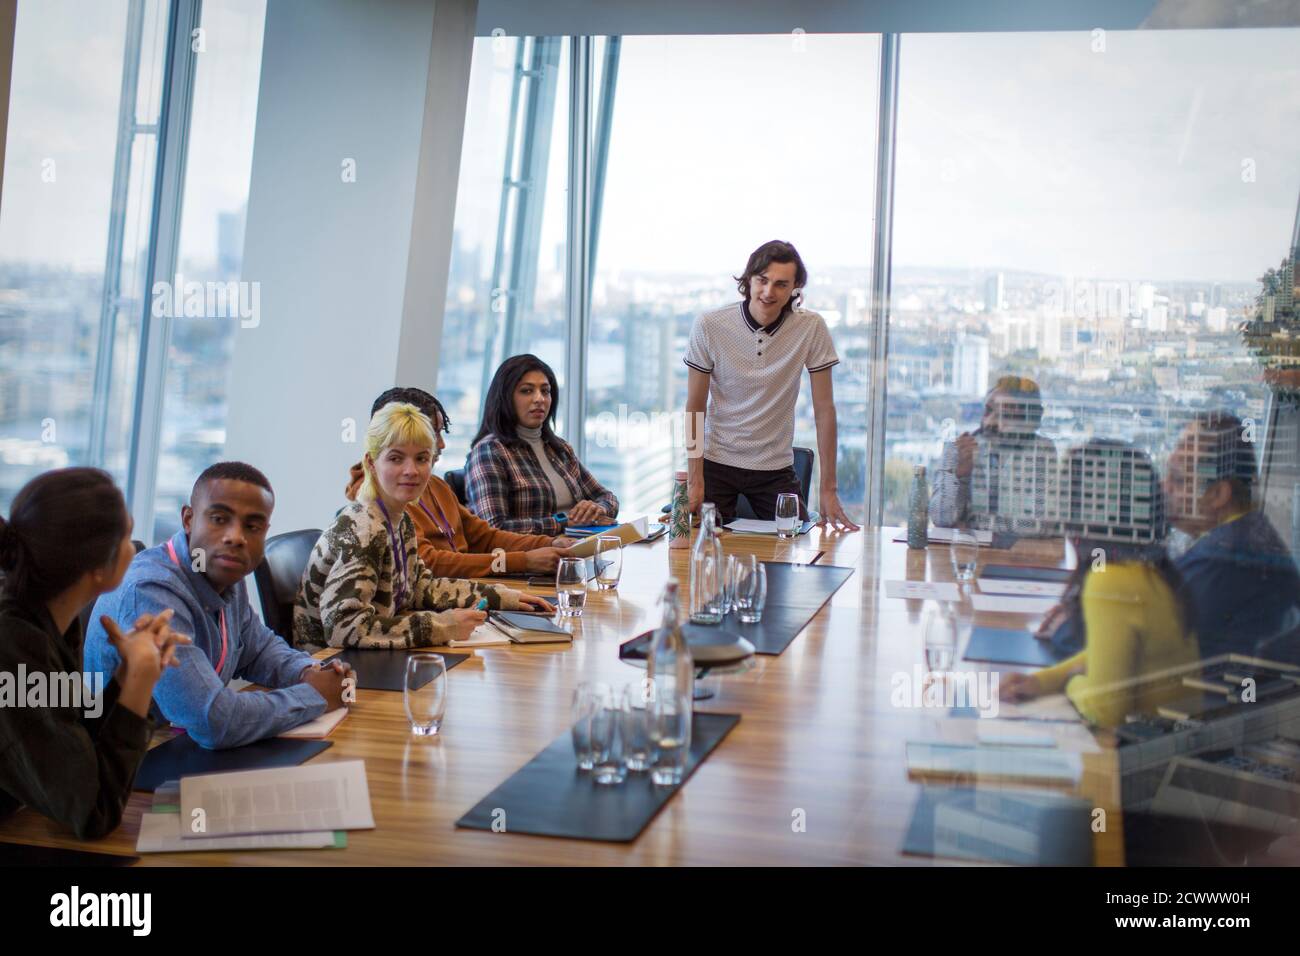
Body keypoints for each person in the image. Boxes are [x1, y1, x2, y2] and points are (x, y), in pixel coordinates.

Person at [85, 462, 351, 750]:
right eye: (219, 519)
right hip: (128, 765)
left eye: (252, 526)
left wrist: (310, 671)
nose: (236, 537)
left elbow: (258, 650)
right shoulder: (152, 589)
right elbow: (214, 719)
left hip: (176, 747)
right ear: (188, 519)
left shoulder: (222, 573)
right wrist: (315, 695)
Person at [0, 468, 190, 837]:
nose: (136, 548)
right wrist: (138, 684)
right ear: (98, 569)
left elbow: (70, 743)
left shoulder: (44, 619)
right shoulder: (14, 644)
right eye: (128, 536)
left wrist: (123, 676)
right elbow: (94, 813)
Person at [1044, 412, 1300, 662]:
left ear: (1219, 494)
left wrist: (1068, 624)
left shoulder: (1224, 558)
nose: (1163, 488)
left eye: (1178, 480)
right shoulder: (1244, 542)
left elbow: (1109, 642)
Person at [297, 401, 553, 649]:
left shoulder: (401, 519)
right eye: (396, 459)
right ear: (372, 463)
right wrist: (443, 626)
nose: (412, 470)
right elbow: (344, 629)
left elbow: (421, 587)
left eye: (421, 459)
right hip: (333, 668)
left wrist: (503, 597)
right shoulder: (364, 529)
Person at [1001, 440, 1200, 728]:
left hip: (1142, 753)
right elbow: (1106, 653)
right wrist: (1042, 682)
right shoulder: (1150, 571)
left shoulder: (1111, 581)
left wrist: (1070, 684)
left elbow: (1104, 709)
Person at [683, 239, 858, 529]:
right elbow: (694, 408)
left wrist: (829, 490)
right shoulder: (710, 325)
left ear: (795, 288)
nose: (768, 292)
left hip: (774, 467)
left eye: (781, 284)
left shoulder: (810, 328)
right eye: (762, 280)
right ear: (749, 280)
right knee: (699, 555)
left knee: (795, 547)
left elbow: (825, 410)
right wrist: (695, 479)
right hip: (715, 463)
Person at [345, 387, 575, 577]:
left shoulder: (435, 485)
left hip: (463, 592)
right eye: (435, 433)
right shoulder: (380, 498)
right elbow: (428, 564)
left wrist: (548, 544)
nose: (441, 444)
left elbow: (484, 536)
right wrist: (522, 561)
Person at [465, 354, 619, 536]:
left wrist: (597, 509)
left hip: (579, 551)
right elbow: (494, 529)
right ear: (505, 397)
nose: (540, 399)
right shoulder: (489, 451)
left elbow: (608, 497)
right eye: (527, 391)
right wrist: (563, 521)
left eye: (545, 391)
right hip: (534, 559)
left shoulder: (559, 448)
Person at [929, 375, 1058, 534]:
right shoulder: (959, 449)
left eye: (1006, 415)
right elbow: (941, 518)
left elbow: (1042, 525)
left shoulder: (1042, 451)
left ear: (1030, 421)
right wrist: (960, 476)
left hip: (1019, 556)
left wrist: (972, 525)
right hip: (963, 554)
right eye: (989, 410)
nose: (991, 422)